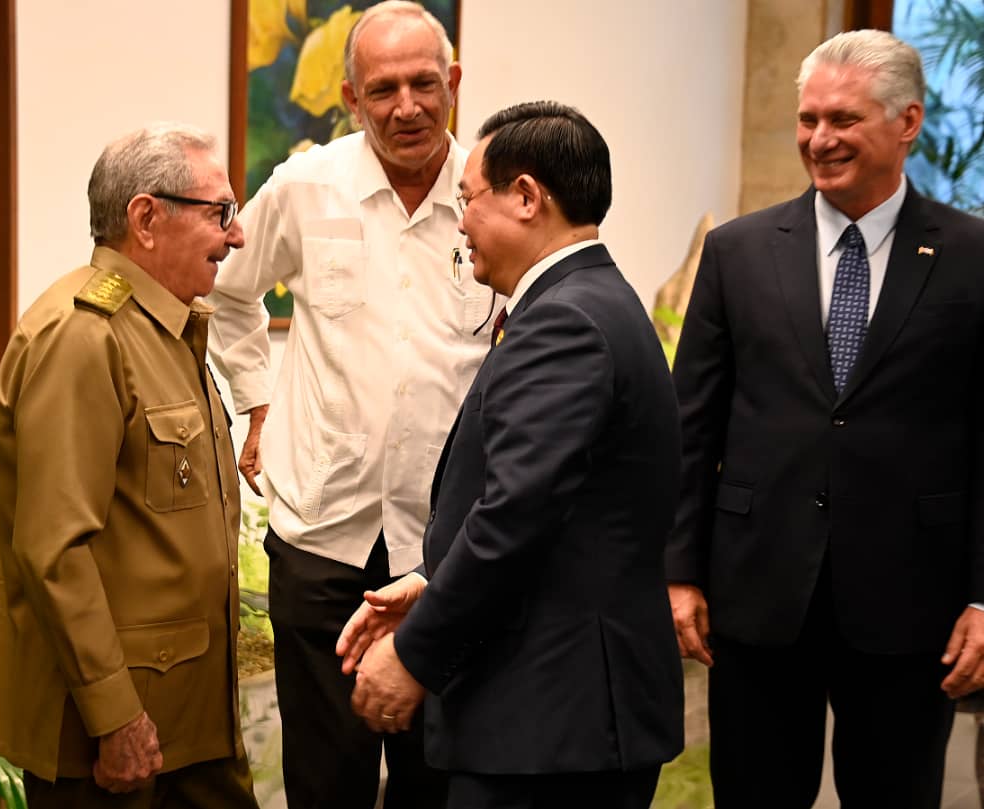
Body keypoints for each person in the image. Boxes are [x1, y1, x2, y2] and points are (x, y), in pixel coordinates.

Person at [667, 29, 984, 809]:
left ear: (907, 122)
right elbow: (690, 427)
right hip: (759, 596)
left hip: (912, 606)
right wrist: (677, 570)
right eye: (809, 119)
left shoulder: (973, 256)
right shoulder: (737, 252)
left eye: (843, 119)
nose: (820, 139)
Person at [337, 101, 685, 809]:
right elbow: (561, 516)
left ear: (527, 197)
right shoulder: (591, 301)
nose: (459, 221)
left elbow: (514, 516)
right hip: (561, 717)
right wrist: (435, 580)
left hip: (555, 722)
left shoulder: (566, 320)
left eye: (468, 199)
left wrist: (415, 653)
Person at [207, 2, 492, 807]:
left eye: (424, 84)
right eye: (383, 89)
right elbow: (228, 297)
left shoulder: (491, 196)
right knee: (325, 775)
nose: (407, 106)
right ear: (351, 97)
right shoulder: (305, 187)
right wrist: (257, 402)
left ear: (454, 83)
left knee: (433, 776)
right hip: (324, 533)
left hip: (442, 547)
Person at [0, 123, 259, 809]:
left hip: (188, 721)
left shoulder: (167, 328)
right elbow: (54, 548)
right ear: (146, 218)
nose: (235, 237)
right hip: (116, 735)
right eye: (220, 213)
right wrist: (116, 714)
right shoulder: (82, 337)